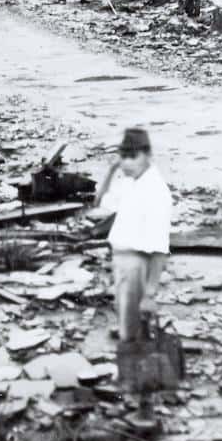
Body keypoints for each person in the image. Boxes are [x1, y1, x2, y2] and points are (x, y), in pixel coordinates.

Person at [94, 128, 174, 343]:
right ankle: (135, 371)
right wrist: (111, 171)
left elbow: (160, 247)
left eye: (133, 157)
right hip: (121, 261)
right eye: (123, 157)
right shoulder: (130, 182)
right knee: (128, 327)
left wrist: (150, 294)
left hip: (136, 264)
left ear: (148, 155)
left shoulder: (156, 190)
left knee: (132, 333)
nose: (127, 163)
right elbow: (99, 202)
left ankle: (138, 374)